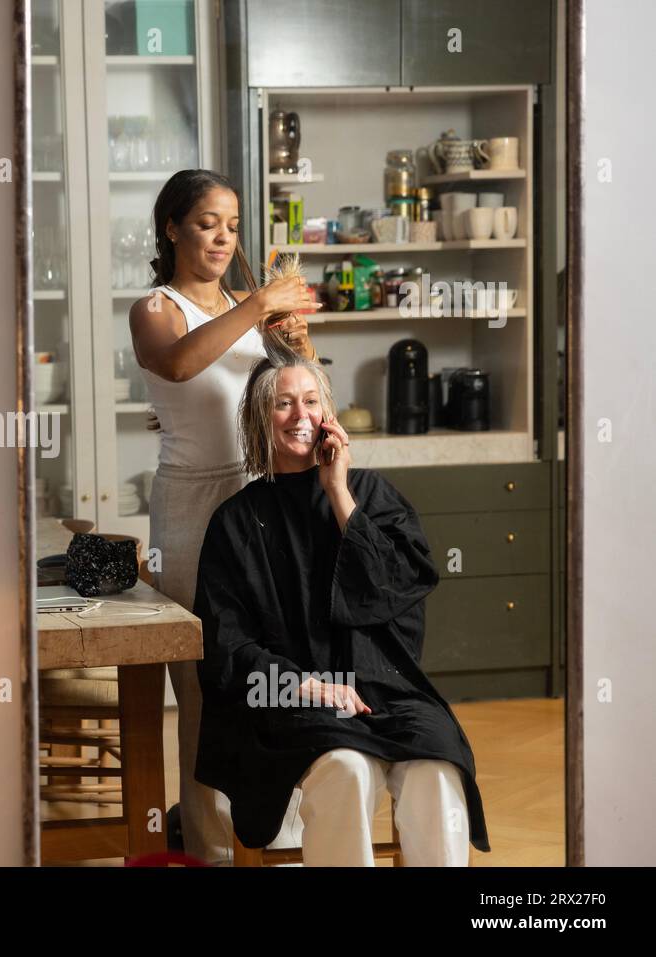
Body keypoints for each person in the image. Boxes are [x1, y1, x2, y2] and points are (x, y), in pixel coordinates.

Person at [191, 346, 491, 865]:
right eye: (283, 404)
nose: (300, 416)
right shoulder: (236, 522)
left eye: (311, 401)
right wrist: (302, 685)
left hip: (386, 689)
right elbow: (226, 645)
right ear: (260, 418)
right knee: (348, 768)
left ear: (328, 413)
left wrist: (338, 492)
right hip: (294, 698)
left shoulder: (372, 494)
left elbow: (393, 589)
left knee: (437, 769)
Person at [130, 169, 321, 863]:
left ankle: (281, 837)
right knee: (205, 683)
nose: (223, 236)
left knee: (277, 669)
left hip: (259, 495)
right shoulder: (157, 307)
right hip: (188, 507)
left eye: (233, 225)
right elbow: (178, 366)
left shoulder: (249, 304)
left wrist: (295, 342)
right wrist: (255, 307)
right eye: (208, 221)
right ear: (173, 226)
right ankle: (210, 849)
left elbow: (295, 396)